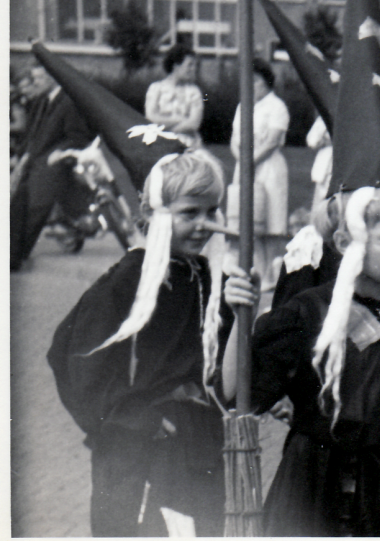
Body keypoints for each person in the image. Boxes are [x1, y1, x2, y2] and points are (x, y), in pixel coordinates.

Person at [220, 0, 380, 537]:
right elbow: (244, 391)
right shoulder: (309, 311)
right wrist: (238, 313)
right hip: (317, 496)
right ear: (348, 239)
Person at [48, 145, 233, 536]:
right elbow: (69, 355)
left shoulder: (207, 278)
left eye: (211, 211)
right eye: (189, 212)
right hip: (136, 452)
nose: (204, 224)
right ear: (154, 214)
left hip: (194, 445)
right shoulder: (126, 279)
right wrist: (130, 420)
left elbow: (226, 363)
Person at [10, 62, 94, 270]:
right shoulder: (42, 101)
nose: (34, 82)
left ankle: (14, 256)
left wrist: (59, 152)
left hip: (52, 165)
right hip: (33, 161)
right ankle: (12, 253)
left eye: (39, 78)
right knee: (17, 205)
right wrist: (22, 155)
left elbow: (78, 137)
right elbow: (32, 133)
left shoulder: (68, 102)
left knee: (35, 209)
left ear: (53, 78)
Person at [228, 58, 290, 291]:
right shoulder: (243, 106)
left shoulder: (277, 107)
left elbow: (272, 141)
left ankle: (273, 276)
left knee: (272, 222)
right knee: (247, 221)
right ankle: (255, 272)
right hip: (244, 166)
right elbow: (235, 140)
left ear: (266, 81)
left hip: (269, 168)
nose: (251, 86)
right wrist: (242, 161)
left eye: (255, 81)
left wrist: (250, 161)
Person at [145, 44, 204, 148]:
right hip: (160, 146)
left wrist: (168, 132)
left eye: (194, 65)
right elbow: (150, 118)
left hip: (188, 145)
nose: (193, 69)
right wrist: (180, 119)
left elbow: (194, 123)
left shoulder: (194, 91)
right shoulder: (156, 88)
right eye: (190, 65)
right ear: (176, 65)